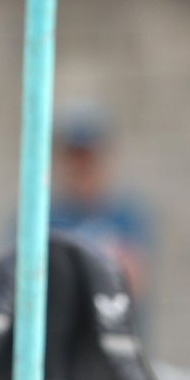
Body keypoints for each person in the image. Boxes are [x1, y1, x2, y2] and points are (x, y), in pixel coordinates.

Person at [49, 101, 156, 323]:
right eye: (75, 157)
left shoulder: (125, 216)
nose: (82, 167)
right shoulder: (43, 217)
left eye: (89, 157)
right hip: (60, 348)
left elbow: (133, 281)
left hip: (117, 346)